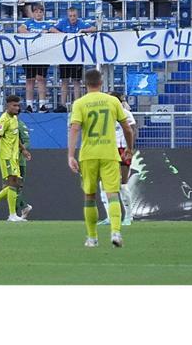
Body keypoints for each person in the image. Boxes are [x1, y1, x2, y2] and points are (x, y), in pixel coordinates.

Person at [67, 69, 134, 248]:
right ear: (101, 82)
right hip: (109, 154)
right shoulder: (112, 101)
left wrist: (70, 155)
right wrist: (129, 148)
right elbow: (127, 128)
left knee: (89, 196)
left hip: (88, 155)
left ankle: (92, 238)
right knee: (112, 194)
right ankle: (116, 232)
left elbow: (74, 128)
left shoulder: (80, 103)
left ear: (85, 83)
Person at [0, 94, 31, 223]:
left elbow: (16, 137)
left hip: (14, 156)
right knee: (13, 184)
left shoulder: (14, 118)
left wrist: (23, 149)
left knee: (15, 184)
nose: (17, 108)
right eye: (14, 105)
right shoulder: (3, 120)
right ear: (7, 106)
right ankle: (12, 214)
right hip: (6, 156)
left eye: (18, 105)